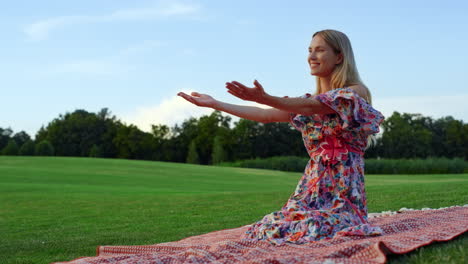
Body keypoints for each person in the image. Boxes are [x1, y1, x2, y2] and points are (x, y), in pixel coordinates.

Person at [177, 29, 385, 245]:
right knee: (272, 226)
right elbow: (266, 116)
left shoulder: (354, 93)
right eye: (310, 50)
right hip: (310, 188)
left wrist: (266, 97)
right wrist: (216, 104)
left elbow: (314, 106)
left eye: (320, 50)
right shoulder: (306, 101)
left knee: (318, 226)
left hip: (344, 194)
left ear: (339, 56)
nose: (311, 57)